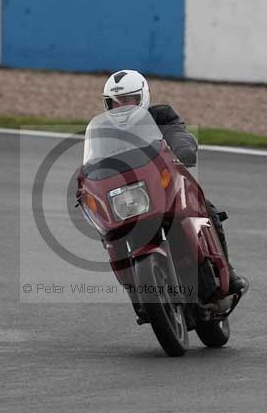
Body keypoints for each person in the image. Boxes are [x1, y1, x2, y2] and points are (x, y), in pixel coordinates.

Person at [102, 69, 247, 296]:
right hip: (132, 198)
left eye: (129, 100)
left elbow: (178, 133)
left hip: (164, 186)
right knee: (108, 233)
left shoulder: (161, 116)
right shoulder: (106, 133)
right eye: (115, 102)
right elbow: (96, 164)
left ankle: (228, 271)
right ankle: (134, 289)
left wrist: (184, 149)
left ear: (143, 97)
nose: (122, 107)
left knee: (208, 210)